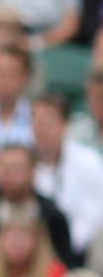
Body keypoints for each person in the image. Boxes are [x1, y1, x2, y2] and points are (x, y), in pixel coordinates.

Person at [0, 144, 74, 267]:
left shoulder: (53, 216)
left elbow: (66, 261)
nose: (10, 174)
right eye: (4, 168)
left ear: (33, 171)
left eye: (17, 168)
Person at [33, 95, 103, 257]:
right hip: (35, 250)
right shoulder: (25, 163)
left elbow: (96, 212)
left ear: (65, 125)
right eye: (35, 120)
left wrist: (67, 245)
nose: (40, 128)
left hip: (80, 248)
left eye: (48, 121)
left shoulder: (89, 161)